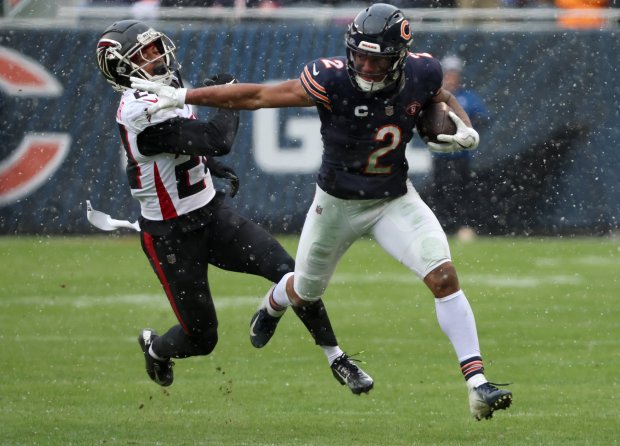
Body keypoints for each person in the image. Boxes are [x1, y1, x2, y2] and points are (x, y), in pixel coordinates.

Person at [131, 3, 513, 420]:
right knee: (306, 290)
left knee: (443, 276)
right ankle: (274, 302)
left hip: (393, 201)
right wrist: (185, 95)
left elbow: (442, 97)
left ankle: (477, 383)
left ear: (399, 57)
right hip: (335, 206)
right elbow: (259, 96)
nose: (365, 65)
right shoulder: (331, 79)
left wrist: (464, 128)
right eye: (360, 55)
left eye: (376, 58)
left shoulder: (422, 72)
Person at [95, 19, 373, 394]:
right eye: (144, 54)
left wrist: (207, 166)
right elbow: (217, 137)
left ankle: (336, 357)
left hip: (212, 213)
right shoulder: (137, 111)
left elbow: (188, 147)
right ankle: (157, 349)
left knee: (290, 272)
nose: (157, 57)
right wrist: (227, 95)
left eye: (155, 47)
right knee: (201, 338)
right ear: (120, 67)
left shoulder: (167, 87)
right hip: (172, 235)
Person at [429, 55, 491, 238]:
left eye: (454, 74)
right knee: (439, 191)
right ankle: (439, 226)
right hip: (440, 155)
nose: (451, 78)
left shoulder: (467, 97)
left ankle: (463, 226)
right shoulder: (434, 97)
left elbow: (484, 117)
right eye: (448, 74)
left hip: (460, 156)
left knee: (462, 191)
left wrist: (467, 125)